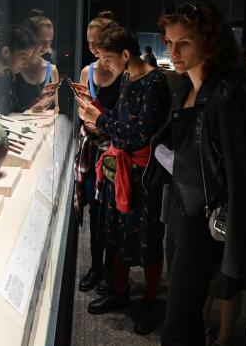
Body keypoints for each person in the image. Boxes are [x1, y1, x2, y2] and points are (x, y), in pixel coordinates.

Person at [143, 0, 246, 345]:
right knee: (184, 316)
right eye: (169, 42)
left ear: (209, 42)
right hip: (178, 211)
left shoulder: (227, 96)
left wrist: (234, 260)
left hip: (203, 222)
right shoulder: (185, 89)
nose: (173, 52)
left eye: (183, 43)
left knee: (178, 326)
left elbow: (241, 180)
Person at [77, 25, 170, 336]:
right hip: (122, 167)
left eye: (108, 59)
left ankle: (149, 300)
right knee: (117, 231)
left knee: (148, 238)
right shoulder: (129, 78)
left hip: (144, 174)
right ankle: (119, 291)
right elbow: (120, 119)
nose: (105, 65)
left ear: (126, 54)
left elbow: (139, 133)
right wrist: (98, 114)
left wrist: (101, 120)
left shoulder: (155, 81)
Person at [74, 11, 122, 295]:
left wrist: (100, 122)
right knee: (94, 209)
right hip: (92, 150)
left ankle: (110, 273)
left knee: (111, 212)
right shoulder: (87, 72)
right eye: (89, 43)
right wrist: (89, 122)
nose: (92, 48)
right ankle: (96, 266)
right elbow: (83, 110)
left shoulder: (122, 73)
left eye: (97, 42)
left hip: (115, 151)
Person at [13, 9, 60, 112]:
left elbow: (56, 108)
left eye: (49, 41)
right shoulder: (14, 69)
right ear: (29, 39)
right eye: (41, 41)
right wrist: (31, 111)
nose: (46, 46)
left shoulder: (52, 70)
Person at [0, 23, 39, 115]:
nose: (27, 64)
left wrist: (36, 105)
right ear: (6, 52)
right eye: (24, 58)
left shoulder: (8, 75)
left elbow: (14, 108)